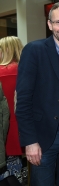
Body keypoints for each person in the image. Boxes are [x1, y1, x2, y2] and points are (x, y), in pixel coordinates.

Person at [15, 1, 59, 186]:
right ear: (49, 24)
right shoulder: (34, 50)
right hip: (43, 138)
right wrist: (30, 141)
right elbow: (23, 101)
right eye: (58, 22)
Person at [0, 36, 24, 183]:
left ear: (6, 51)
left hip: (4, 134)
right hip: (24, 132)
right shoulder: (27, 72)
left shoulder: (1, 73)